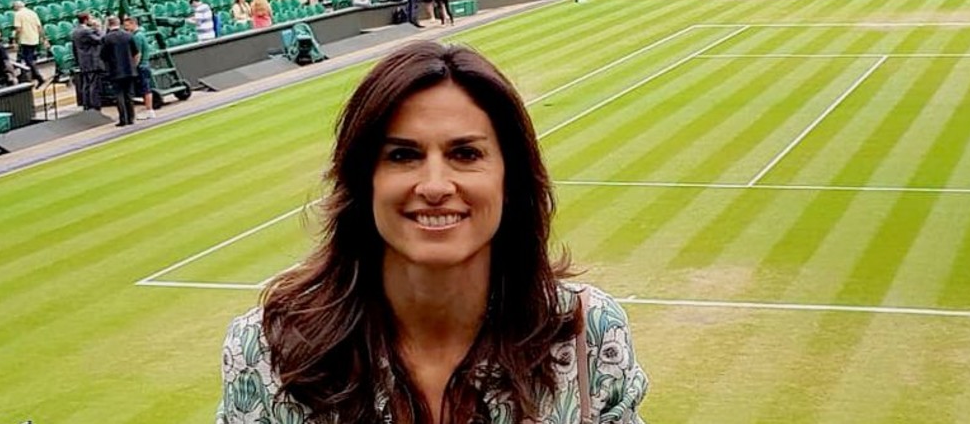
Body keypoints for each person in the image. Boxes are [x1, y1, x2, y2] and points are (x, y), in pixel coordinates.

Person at [216, 41, 648, 423]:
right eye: (403, 155)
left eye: (465, 153)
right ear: (364, 179)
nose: (435, 186)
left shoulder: (584, 333)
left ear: (509, 178)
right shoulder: (268, 351)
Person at [100, 16, 138, 127]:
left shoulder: (106, 39)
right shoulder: (128, 35)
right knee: (129, 95)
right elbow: (135, 52)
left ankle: (123, 119)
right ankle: (131, 118)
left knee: (119, 95)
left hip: (115, 70)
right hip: (129, 69)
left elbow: (103, 56)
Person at [70, 12, 105, 111]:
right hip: (91, 61)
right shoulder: (87, 31)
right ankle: (94, 105)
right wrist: (99, 28)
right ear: (86, 20)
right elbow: (100, 40)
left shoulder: (75, 31)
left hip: (82, 61)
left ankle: (86, 105)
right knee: (93, 84)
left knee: (86, 84)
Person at [124, 16, 155, 120]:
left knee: (145, 88)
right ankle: (149, 110)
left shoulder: (137, 37)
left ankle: (149, 110)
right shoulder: (140, 34)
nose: (126, 28)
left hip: (141, 66)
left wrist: (133, 67)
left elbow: (137, 54)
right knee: (145, 88)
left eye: (127, 26)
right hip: (145, 65)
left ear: (133, 24)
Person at [12, 0, 47, 88]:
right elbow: (39, 27)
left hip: (25, 39)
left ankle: (38, 77)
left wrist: (15, 40)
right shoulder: (32, 13)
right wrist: (43, 38)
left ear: (16, 7)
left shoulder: (18, 14)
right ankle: (31, 77)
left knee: (28, 60)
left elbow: (18, 29)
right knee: (28, 59)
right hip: (34, 39)